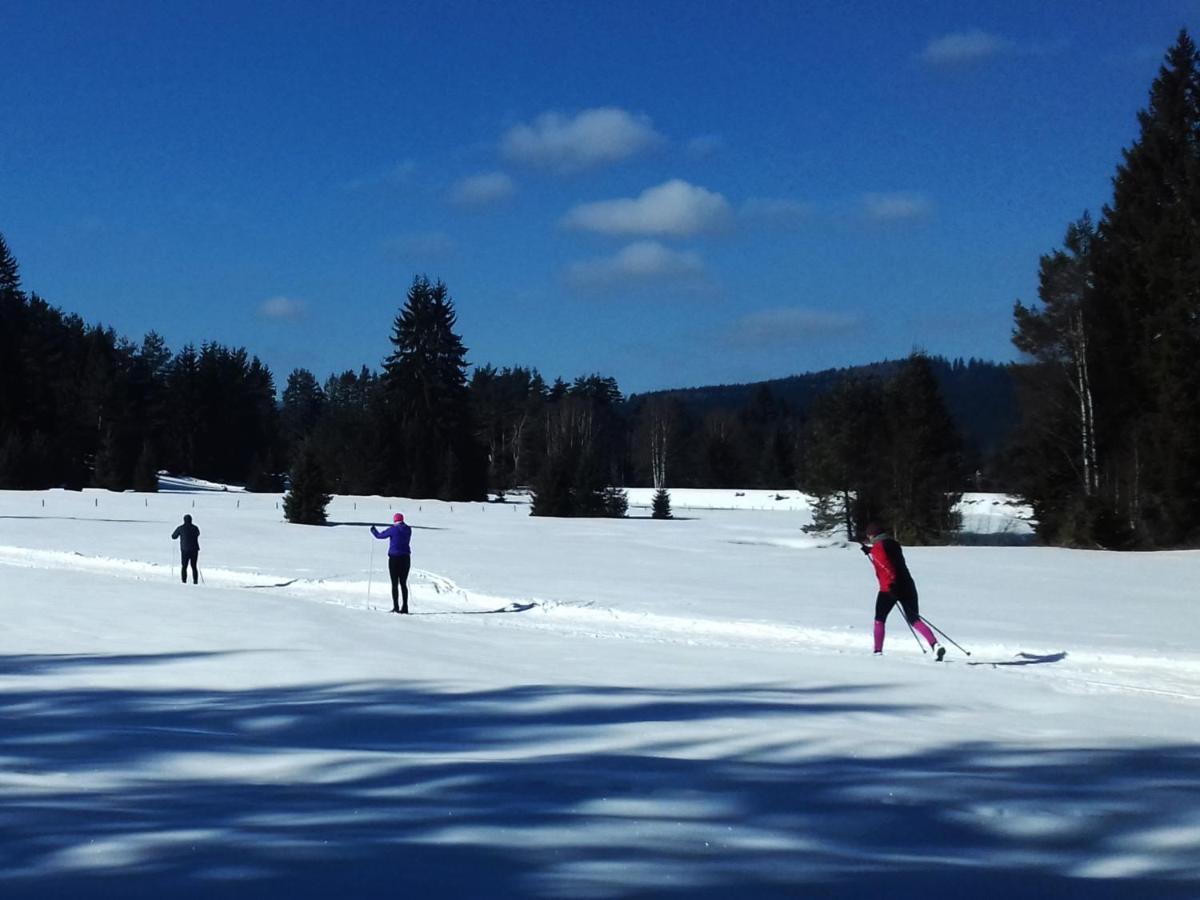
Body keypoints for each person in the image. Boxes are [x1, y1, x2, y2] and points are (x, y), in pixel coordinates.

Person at [861, 522, 944, 660]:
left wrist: (892, 585)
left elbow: (886, 566)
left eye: (869, 536)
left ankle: (877, 651)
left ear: (872, 535)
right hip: (908, 586)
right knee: (914, 619)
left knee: (879, 619)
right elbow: (891, 559)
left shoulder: (878, 548)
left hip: (889, 588)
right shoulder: (893, 544)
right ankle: (935, 645)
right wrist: (870, 551)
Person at [371, 513, 412, 614]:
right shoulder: (408, 529)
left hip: (394, 558)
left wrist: (373, 530)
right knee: (403, 583)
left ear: (394, 520)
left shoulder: (393, 529)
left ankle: (396, 607)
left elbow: (380, 536)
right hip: (406, 558)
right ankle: (405, 607)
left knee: (394, 583)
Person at [171, 514, 200, 584]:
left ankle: (184, 581)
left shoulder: (180, 528)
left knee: (184, 566)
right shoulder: (195, 528)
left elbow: (173, 536)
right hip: (194, 549)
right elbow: (198, 534)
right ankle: (195, 581)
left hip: (185, 550)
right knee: (194, 566)